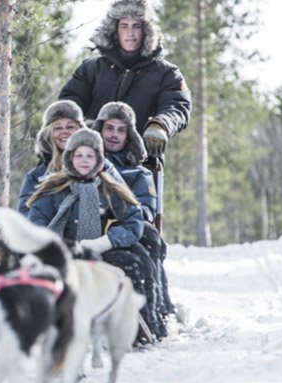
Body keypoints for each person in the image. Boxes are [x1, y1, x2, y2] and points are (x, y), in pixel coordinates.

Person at [59, 0, 192, 230]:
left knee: (139, 225)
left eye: (136, 26)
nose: (130, 33)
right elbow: (68, 105)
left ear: (146, 30)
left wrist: (161, 125)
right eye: (124, 26)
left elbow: (177, 106)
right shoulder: (91, 69)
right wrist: (77, 131)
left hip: (138, 163)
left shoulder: (167, 74)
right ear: (114, 30)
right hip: (90, 160)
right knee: (78, 222)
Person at [26, 128, 159, 344]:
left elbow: (133, 222)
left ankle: (138, 330)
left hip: (97, 251)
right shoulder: (53, 187)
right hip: (61, 253)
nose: (84, 160)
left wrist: (105, 242)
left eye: (90, 155)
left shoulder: (111, 186)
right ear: (69, 158)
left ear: (99, 158)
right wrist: (54, 247)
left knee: (132, 263)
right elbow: (36, 224)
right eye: (79, 155)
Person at [92, 101, 173, 337]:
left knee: (149, 237)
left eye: (121, 130)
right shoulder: (84, 161)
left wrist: (117, 217)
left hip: (127, 230)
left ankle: (156, 311)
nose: (114, 135)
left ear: (129, 135)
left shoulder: (139, 173)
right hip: (89, 230)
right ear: (99, 130)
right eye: (109, 128)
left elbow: (145, 211)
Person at [16, 100, 85, 215]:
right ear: (49, 133)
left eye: (70, 127)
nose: (64, 132)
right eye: (58, 128)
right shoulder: (36, 176)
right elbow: (24, 216)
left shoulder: (97, 168)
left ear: (80, 131)